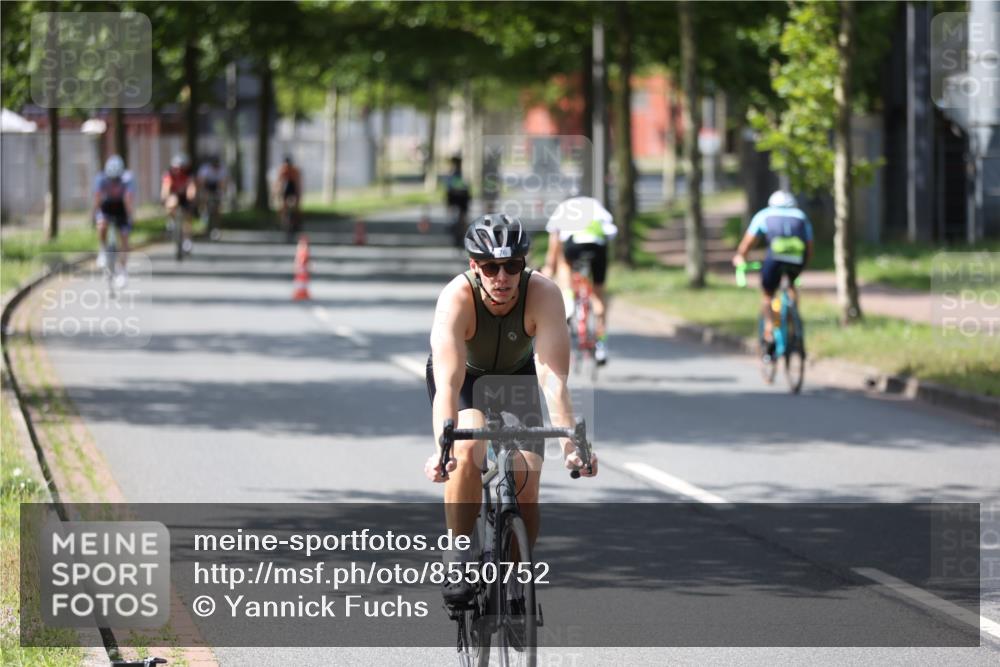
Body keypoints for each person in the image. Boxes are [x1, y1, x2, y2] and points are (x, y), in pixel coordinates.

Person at [424, 214, 598, 606]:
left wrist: (572, 444)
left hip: (517, 378)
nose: (501, 277)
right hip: (465, 379)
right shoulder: (457, 298)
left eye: (512, 266)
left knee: (526, 477)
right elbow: (448, 386)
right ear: (474, 266)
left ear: (524, 265)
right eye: (490, 267)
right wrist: (442, 448)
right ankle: (459, 552)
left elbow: (553, 380)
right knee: (467, 449)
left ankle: (516, 577)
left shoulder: (544, 294)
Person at [732, 190, 814, 360]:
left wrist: (740, 256)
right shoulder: (800, 216)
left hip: (774, 259)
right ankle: (793, 322)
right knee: (791, 286)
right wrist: (803, 266)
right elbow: (809, 246)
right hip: (796, 260)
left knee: (767, 294)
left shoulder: (764, 215)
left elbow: (748, 242)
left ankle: (769, 332)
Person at [543, 195, 618, 364]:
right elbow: (611, 232)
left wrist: (550, 267)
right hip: (597, 246)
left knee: (564, 264)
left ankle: (568, 298)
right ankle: (601, 347)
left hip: (574, 244)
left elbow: (554, 243)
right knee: (599, 298)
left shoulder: (563, 208)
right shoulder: (596, 205)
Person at [93, 155, 135, 287]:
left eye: (116, 178)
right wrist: (94, 214)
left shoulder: (128, 178)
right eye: (111, 178)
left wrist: (130, 216)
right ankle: (103, 249)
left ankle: (122, 271)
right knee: (101, 225)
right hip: (107, 207)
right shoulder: (100, 178)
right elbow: (98, 198)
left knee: (124, 239)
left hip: (121, 208)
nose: (114, 181)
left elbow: (128, 198)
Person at [161, 153, 197, 255]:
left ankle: (187, 240)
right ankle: (172, 221)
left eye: (180, 168)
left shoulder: (189, 174)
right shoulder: (168, 174)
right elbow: (165, 188)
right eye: (175, 168)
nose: (177, 170)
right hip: (174, 195)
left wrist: (191, 197)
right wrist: (164, 198)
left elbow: (191, 187)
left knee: (187, 218)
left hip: (185, 197)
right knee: (171, 202)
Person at [196, 155, 228, 235]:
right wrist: (204, 192)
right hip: (206, 186)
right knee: (204, 199)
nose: (215, 167)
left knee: (218, 208)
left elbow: (224, 183)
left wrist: (222, 193)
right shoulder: (205, 169)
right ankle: (203, 214)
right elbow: (201, 182)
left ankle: (217, 227)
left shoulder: (222, 170)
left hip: (216, 187)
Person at [444, 155, 470, 247]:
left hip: (460, 197)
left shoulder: (459, 174)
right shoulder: (453, 174)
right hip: (456, 197)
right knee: (459, 215)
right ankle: (456, 225)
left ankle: (462, 229)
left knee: (462, 216)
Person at [274, 155, 302, 236]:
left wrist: (298, 195)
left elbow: (297, 183)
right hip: (286, 188)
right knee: (283, 206)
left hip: (292, 188)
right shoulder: (283, 170)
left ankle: (296, 221)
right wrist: (277, 192)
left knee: (295, 206)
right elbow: (279, 182)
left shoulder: (294, 171)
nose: (287, 167)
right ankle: (283, 221)